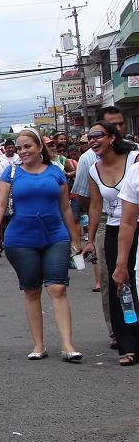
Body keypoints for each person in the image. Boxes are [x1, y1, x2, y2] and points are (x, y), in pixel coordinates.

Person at [0, 128, 83, 362]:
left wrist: (76, 239)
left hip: (55, 236)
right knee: (31, 290)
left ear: (40, 147)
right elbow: (0, 205)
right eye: (19, 148)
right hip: (21, 239)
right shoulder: (9, 173)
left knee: (57, 288)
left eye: (27, 146)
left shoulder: (56, 172)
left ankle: (68, 345)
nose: (23, 151)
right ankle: (38, 345)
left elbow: (65, 208)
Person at [72, 106, 130, 348]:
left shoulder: (135, 155)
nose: (117, 129)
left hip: (133, 220)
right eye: (110, 125)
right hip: (108, 221)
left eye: (120, 124)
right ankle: (117, 332)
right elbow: (87, 201)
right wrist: (90, 237)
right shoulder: (88, 161)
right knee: (111, 278)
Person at [82, 121, 139, 365]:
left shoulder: (134, 160)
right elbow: (96, 206)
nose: (93, 141)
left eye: (98, 136)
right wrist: (91, 239)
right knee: (119, 285)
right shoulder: (94, 169)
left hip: (137, 225)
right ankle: (128, 344)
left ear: (113, 137)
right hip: (116, 229)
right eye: (89, 138)